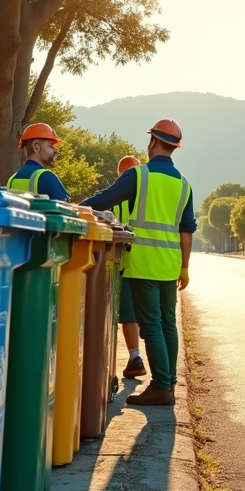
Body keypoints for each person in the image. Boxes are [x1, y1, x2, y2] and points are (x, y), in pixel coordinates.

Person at [81, 119, 194, 406]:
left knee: (152, 326)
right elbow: (186, 229)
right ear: (175, 147)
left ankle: (160, 387)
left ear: (153, 141)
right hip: (171, 264)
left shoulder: (139, 175)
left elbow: (104, 200)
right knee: (168, 324)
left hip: (143, 262)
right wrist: (185, 267)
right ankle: (168, 380)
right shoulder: (184, 184)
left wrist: (77, 207)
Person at [112, 155, 146, 380]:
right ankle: (164, 374)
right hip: (153, 264)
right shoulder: (149, 198)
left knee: (128, 315)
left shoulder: (115, 199)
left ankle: (135, 357)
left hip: (124, 265)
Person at [7, 123, 70, 201]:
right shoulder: (46, 177)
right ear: (36, 147)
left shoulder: (12, 179)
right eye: (50, 146)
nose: (55, 151)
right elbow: (67, 209)